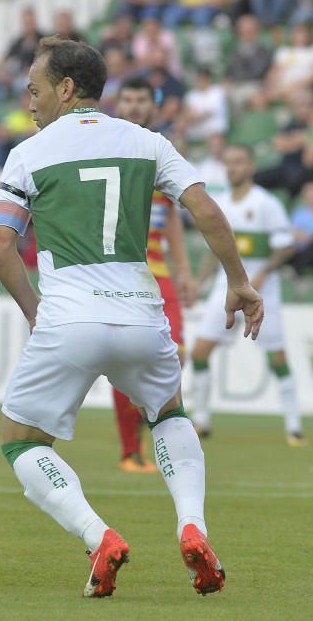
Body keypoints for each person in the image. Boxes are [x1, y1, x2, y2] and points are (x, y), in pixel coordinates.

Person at [0, 37, 264, 598]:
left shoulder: (29, 153)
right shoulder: (148, 142)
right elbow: (205, 209)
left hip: (69, 318)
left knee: (21, 441)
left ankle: (99, 538)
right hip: (142, 314)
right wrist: (238, 280)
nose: (29, 99)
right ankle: (193, 526)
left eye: (36, 88)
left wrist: (36, 310)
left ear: (66, 90)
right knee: (168, 414)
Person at [190, 144, 305, 446]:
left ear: (251, 166)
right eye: (229, 162)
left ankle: (294, 425)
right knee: (199, 352)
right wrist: (199, 281)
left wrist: (262, 274)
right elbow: (211, 249)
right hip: (223, 286)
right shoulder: (220, 203)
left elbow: (286, 246)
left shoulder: (266, 204)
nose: (233, 168)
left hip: (262, 289)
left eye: (239, 162)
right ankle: (201, 420)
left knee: (277, 356)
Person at [110, 77, 197, 474]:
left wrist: (185, 271)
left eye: (141, 98)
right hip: (120, 273)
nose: (134, 105)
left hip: (159, 273)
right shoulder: (104, 145)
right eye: (127, 98)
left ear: (152, 104)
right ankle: (131, 451)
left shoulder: (162, 150)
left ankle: (160, 438)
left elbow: (173, 215)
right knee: (124, 362)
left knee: (173, 354)